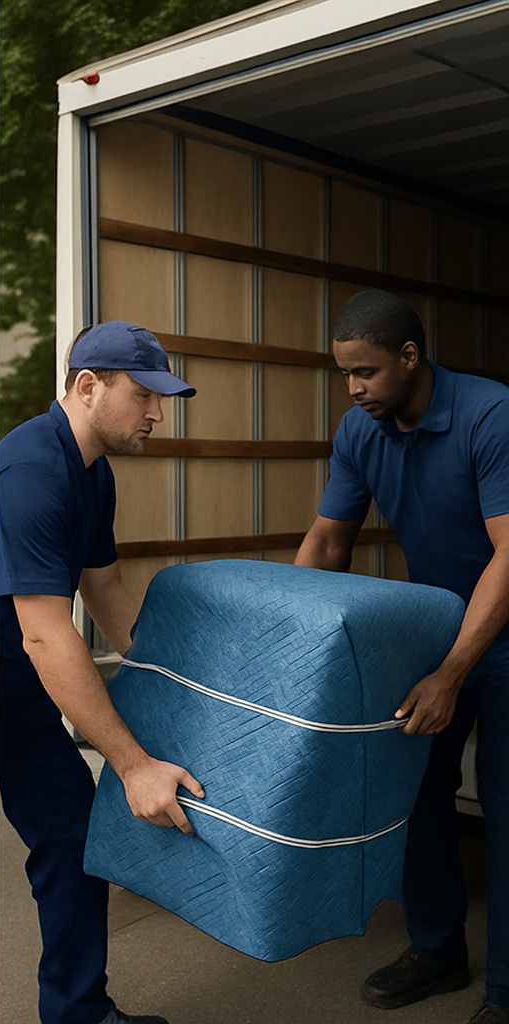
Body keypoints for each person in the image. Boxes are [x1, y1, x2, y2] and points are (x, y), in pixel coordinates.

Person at [295, 289, 509, 1024]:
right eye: (345, 374)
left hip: (502, 636)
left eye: (366, 372)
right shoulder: (361, 431)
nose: (353, 390)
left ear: (410, 357)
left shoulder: (491, 414)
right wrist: (289, 639)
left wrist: (454, 672)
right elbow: (328, 541)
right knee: (417, 793)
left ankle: (506, 990)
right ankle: (438, 950)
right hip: (433, 633)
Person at [0, 320, 205, 1024]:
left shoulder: (93, 471)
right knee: (66, 832)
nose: (156, 414)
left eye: (162, 400)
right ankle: (77, 1012)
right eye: (145, 395)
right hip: (1, 683)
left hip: (30, 670)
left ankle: (77, 1010)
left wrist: (174, 679)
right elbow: (46, 634)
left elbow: (106, 587)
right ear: (88, 387)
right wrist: (132, 765)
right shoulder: (32, 467)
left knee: (69, 836)